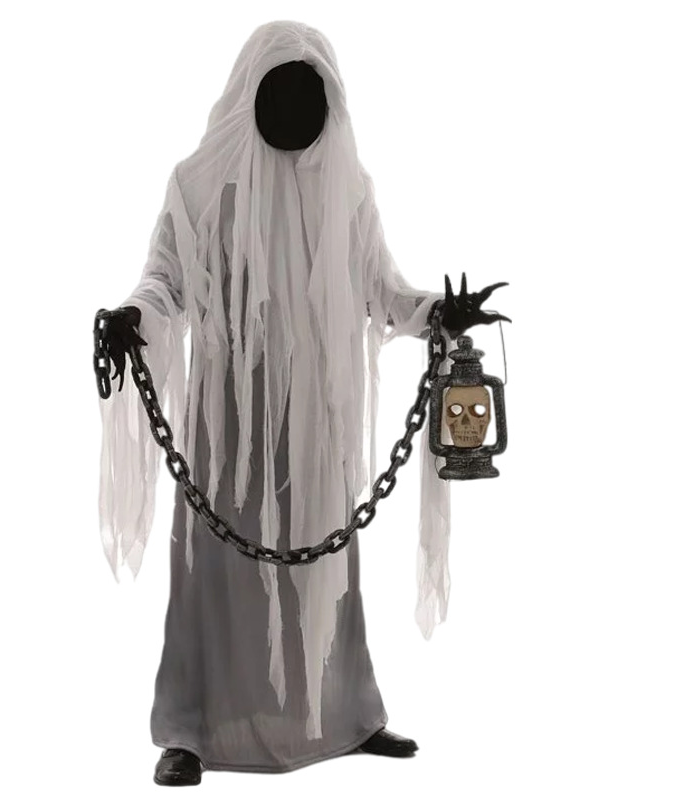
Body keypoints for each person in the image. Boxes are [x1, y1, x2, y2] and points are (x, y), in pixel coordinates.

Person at [96, 20, 506, 787]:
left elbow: (384, 291)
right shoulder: (199, 186)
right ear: (251, 91)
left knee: (326, 568)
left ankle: (346, 716)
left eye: (310, 94)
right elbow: (165, 283)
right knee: (217, 574)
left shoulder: (347, 188)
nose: (298, 109)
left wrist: (440, 313)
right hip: (230, 416)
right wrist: (131, 317)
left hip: (316, 416)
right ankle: (189, 729)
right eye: (282, 92)